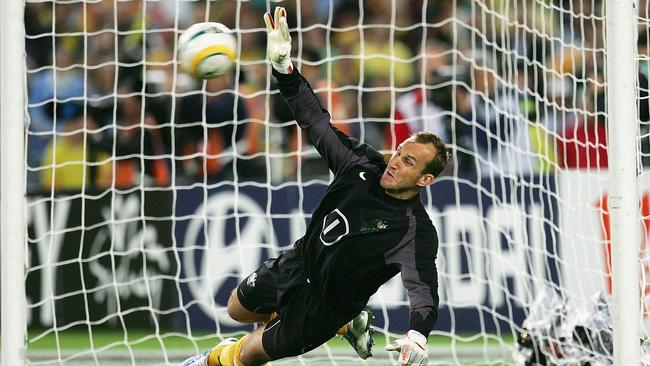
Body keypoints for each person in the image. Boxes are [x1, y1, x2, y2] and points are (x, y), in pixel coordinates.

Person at [180, 7, 447, 366]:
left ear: (425, 180)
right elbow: (314, 120)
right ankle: (348, 326)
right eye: (399, 152)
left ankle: (206, 361)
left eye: (409, 162)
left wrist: (418, 334)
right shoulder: (361, 165)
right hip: (298, 262)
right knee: (236, 309)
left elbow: (424, 290)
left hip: (326, 307)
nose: (396, 161)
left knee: (245, 355)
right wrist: (283, 67)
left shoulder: (415, 230)